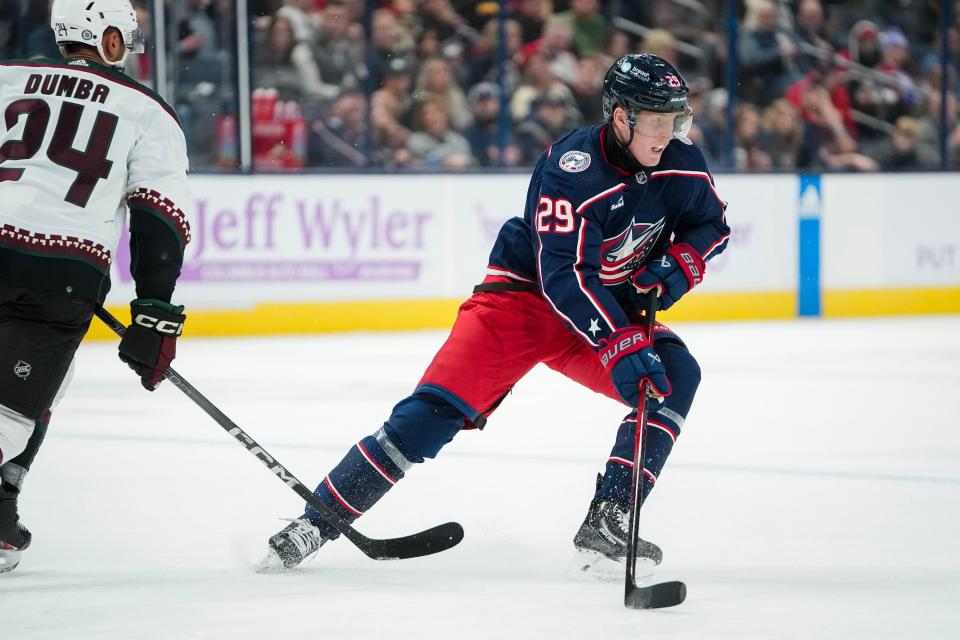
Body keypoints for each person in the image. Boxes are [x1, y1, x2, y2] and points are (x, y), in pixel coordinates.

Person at [259, 54, 730, 575]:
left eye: (675, 120)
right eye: (657, 121)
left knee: (673, 378)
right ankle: (315, 522)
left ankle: (611, 513)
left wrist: (684, 263)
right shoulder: (572, 169)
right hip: (522, 304)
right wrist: (618, 341)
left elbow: (714, 224)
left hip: (602, 310)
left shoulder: (682, 161)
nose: (669, 135)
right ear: (621, 116)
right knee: (426, 419)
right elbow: (564, 278)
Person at [0, 0, 191, 573]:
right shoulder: (148, 111)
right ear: (104, 38)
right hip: (56, 276)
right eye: (122, 38)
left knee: (46, 391)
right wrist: (154, 312)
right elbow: (160, 218)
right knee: (13, 414)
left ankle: (2, 504)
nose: (127, 50)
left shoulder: (6, 78)